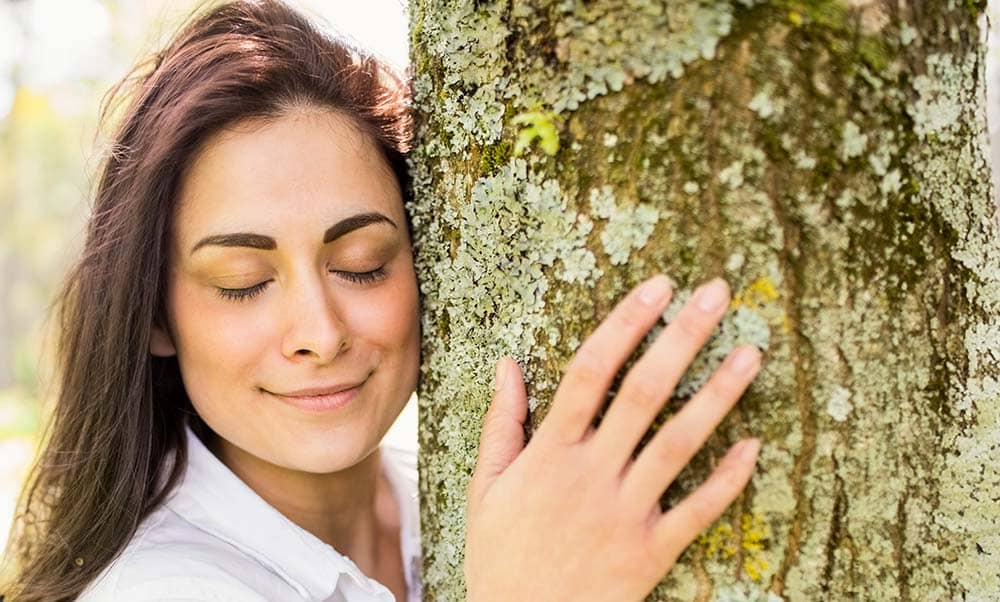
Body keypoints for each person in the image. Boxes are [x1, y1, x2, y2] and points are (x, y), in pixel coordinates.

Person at [1, 1, 763, 600]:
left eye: (362, 264)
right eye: (243, 281)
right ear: (156, 317)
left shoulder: (441, 498)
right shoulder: (165, 590)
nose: (319, 334)